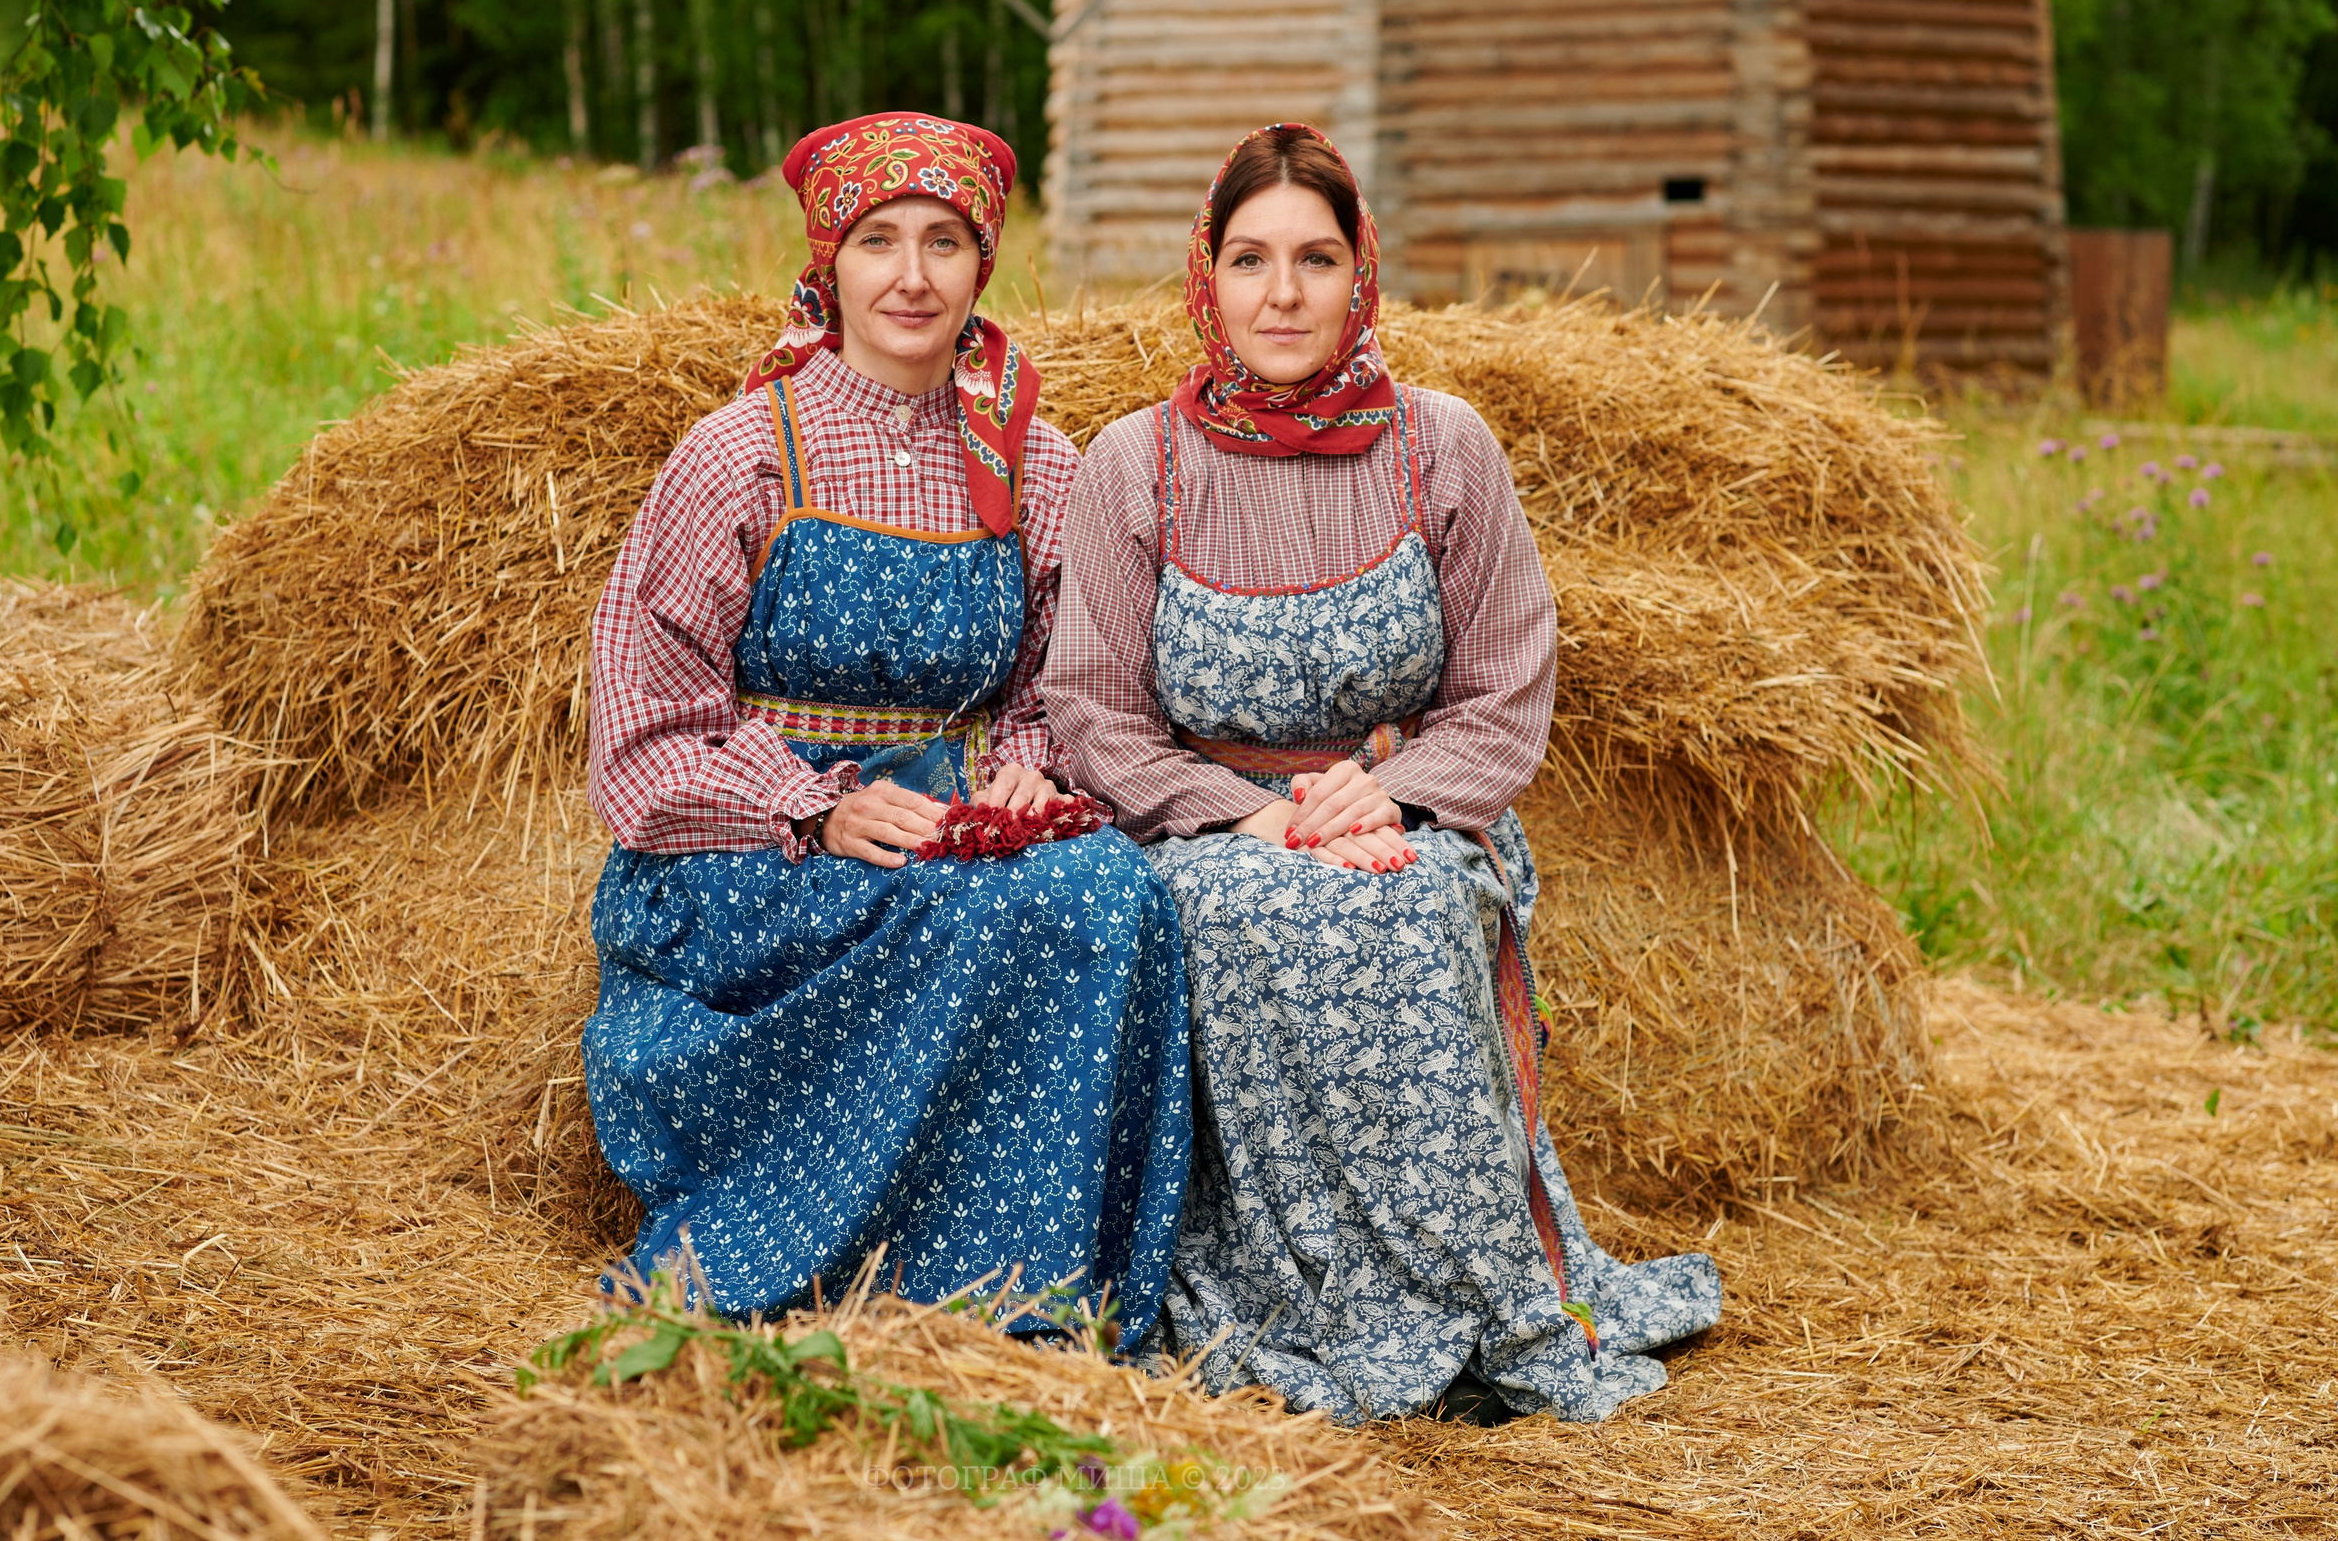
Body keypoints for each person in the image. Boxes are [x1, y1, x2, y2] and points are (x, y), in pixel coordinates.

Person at [1042, 123, 1720, 1424]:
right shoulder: (1136, 463)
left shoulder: (1439, 445)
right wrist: (1262, 816)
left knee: (1405, 909)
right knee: (1231, 917)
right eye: (1251, 258)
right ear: (1209, 276)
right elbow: (1098, 715)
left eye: (1314, 257)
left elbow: (1504, 687)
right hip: (1213, 830)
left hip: (1408, 813)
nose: (1281, 292)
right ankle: (1289, 1299)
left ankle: (1459, 1286)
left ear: (1361, 272)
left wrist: (1394, 798)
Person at [580, 112, 1191, 1343]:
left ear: (982, 266)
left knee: (1109, 893)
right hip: (755, 848)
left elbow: (1055, 682)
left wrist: (1026, 773)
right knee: (945, 909)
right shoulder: (742, 451)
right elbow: (642, 728)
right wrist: (811, 802)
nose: (911, 275)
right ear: (830, 262)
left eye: (944, 242)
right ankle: (834, 1259)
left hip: (951, 815)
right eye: (878, 241)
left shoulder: (1039, 466)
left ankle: (1027, 1293)